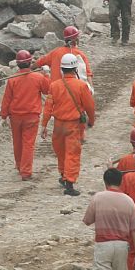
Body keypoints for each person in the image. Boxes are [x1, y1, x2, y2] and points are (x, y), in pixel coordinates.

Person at [41, 54, 96, 196]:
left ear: (62, 69)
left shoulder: (54, 85)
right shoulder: (81, 86)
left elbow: (48, 107)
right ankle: (69, 183)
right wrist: (91, 120)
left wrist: (44, 125)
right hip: (73, 126)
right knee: (72, 153)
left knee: (60, 152)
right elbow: (89, 106)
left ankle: (63, 175)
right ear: (75, 68)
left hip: (58, 125)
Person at [0, 51, 51, 180]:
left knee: (17, 142)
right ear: (30, 62)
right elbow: (48, 90)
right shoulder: (38, 78)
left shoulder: (12, 80)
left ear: (17, 64)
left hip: (15, 116)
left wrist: (3, 115)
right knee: (28, 143)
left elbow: (7, 99)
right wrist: (46, 74)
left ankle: (19, 166)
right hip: (31, 116)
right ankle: (26, 171)